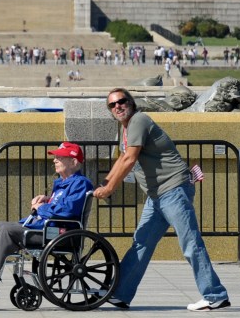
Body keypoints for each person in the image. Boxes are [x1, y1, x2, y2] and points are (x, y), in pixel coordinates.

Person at [93, 88, 230, 312]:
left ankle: (215, 294)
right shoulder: (126, 129)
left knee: (190, 243)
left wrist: (109, 188)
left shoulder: (139, 120)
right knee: (141, 244)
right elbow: (122, 159)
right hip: (156, 196)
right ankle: (119, 294)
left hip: (174, 189)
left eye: (121, 101)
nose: (117, 106)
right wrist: (104, 182)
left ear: (131, 102)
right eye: (112, 105)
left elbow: (130, 158)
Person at [0, 142, 93, 296]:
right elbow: (62, 205)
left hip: (59, 233)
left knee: (6, 230)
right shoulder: (62, 183)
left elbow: (67, 210)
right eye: (56, 157)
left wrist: (41, 208)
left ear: (73, 162)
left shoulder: (80, 183)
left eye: (60, 157)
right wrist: (47, 199)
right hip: (47, 228)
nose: (55, 160)